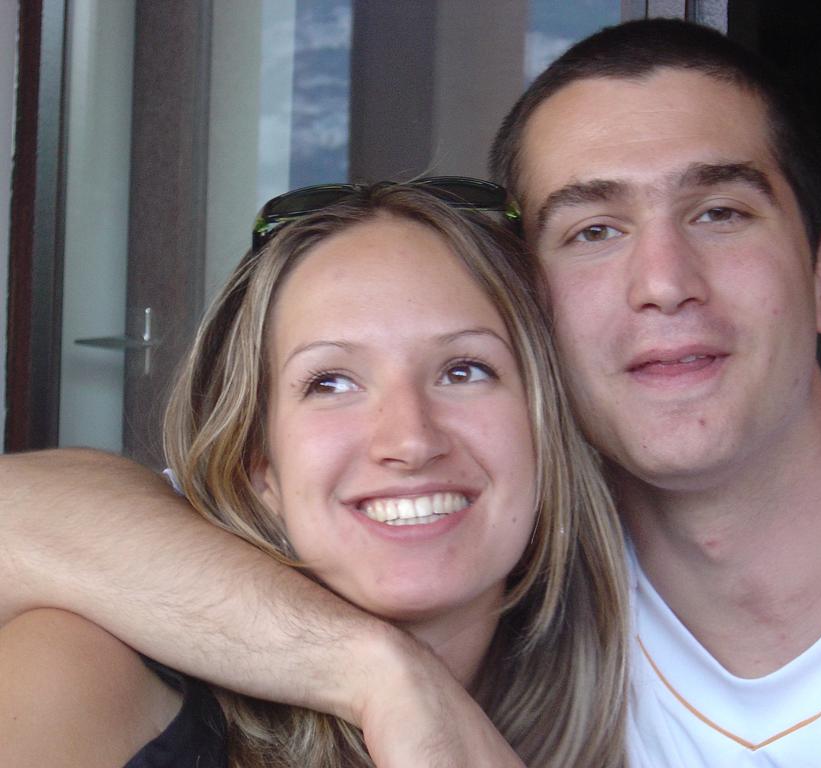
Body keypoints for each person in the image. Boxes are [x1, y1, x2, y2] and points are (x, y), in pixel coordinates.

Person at [3, 17, 821, 766]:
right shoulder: (419, 558)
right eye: (593, 230)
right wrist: (379, 675)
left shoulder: (531, 595)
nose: (664, 281)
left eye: (719, 212)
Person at [0, 184, 630, 766]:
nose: (411, 441)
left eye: (464, 371)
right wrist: (378, 673)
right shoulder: (84, 679)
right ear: (260, 466)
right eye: (331, 382)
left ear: (544, 434)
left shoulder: (631, 703)